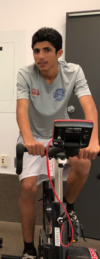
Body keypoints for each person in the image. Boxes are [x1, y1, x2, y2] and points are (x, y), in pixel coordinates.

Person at [16, 27, 100, 259]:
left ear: (59, 52)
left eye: (47, 50)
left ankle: (67, 206)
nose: (40, 56)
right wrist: (29, 140)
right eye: (36, 51)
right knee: (27, 188)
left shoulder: (73, 71)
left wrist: (93, 140)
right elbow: (21, 110)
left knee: (84, 165)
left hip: (62, 134)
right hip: (33, 136)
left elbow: (89, 106)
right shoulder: (26, 73)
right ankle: (28, 247)